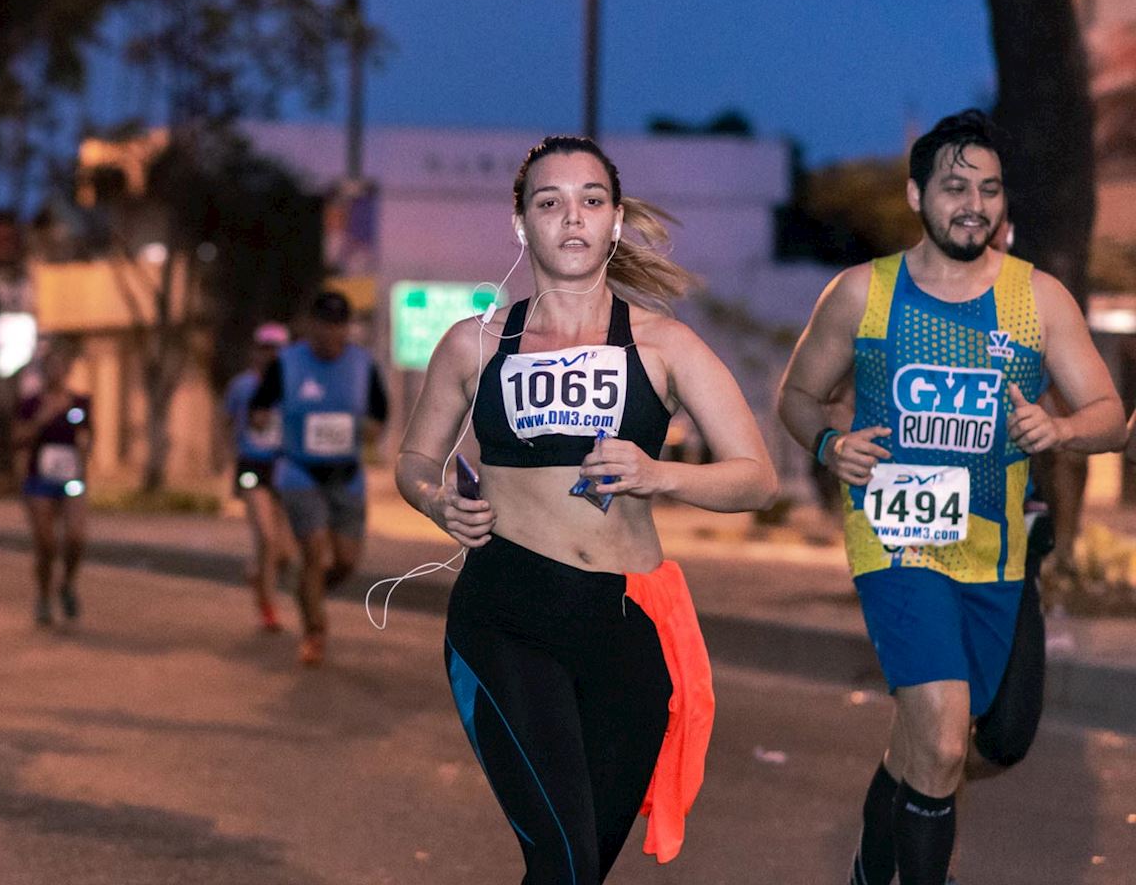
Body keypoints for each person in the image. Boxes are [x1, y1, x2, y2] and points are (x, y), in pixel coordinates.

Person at [396, 135, 777, 882]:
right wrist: (439, 504)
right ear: (521, 225)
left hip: (627, 631)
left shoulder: (665, 345)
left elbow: (755, 479)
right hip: (507, 614)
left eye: (591, 200)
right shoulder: (474, 345)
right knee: (564, 862)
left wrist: (656, 473)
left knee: (580, 869)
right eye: (550, 202)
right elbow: (414, 461)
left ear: (615, 219)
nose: (572, 217)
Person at [777, 110, 1126, 885]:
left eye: (990, 190)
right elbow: (798, 396)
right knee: (939, 741)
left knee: (954, 741)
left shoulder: (1039, 299)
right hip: (894, 542)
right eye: (955, 186)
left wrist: (1060, 429)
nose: (974, 204)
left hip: (995, 551)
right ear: (916, 194)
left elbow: (1110, 419)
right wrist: (831, 445)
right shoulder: (860, 294)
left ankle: (875, 859)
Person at [248, 292, 387, 666]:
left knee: (346, 561)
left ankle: (309, 591)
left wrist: (371, 430)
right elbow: (258, 407)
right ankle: (315, 632)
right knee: (313, 550)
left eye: (338, 326)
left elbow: (380, 412)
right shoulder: (288, 363)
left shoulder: (362, 364)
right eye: (323, 325)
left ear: (346, 328)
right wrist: (261, 419)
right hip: (299, 471)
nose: (330, 334)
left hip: (347, 474)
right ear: (310, 326)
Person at [223, 322, 298, 632]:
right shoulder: (242, 386)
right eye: (266, 348)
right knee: (265, 537)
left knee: (284, 551)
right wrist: (231, 457)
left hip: (285, 468)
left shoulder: (293, 385)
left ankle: (258, 572)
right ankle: (268, 608)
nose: (271, 355)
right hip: (252, 466)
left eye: (278, 349)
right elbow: (226, 422)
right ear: (256, 351)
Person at [13, 339, 91, 626]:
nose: (56, 372)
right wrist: (40, 422)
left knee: (76, 537)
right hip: (40, 478)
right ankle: (44, 595)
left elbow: (87, 436)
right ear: (44, 371)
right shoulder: (31, 403)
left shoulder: (80, 402)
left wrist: (85, 450)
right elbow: (17, 439)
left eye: (61, 366)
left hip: (71, 478)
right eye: (51, 367)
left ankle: (67, 584)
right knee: (45, 544)